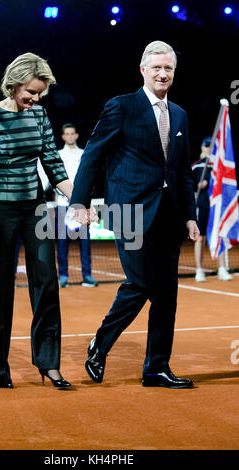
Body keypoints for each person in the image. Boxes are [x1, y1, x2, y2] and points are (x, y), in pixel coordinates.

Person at [69, 41, 200, 388]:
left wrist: (190, 215)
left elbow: (183, 171)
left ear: (174, 72)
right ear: (143, 70)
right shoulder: (121, 107)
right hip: (129, 212)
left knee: (166, 295)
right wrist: (79, 203)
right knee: (140, 283)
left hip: (170, 217)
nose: (162, 73)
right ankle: (101, 343)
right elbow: (92, 156)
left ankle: (156, 367)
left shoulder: (181, 115)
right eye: (156, 67)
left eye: (168, 68)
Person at [0, 52, 73, 389]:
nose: (37, 98)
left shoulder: (39, 115)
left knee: (47, 283)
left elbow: (53, 163)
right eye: (31, 91)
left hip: (35, 209)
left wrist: (77, 196)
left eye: (41, 93)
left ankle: (49, 363)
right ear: (13, 85)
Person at [56, 123, 98, 288]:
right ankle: (63, 277)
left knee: (84, 242)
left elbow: (88, 179)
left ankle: (87, 275)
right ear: (63, 137)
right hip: (62, 205)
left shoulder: (84, 154)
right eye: (67, 133)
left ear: (77, 135)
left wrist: (82, 198)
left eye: (73, 133)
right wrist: (66, 195)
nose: (70, 136)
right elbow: (55, 180)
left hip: (82, 206)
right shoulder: (58, 155)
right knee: (62, 243)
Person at [192, 137, 233, 282]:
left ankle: (222, 268)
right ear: (202, 148)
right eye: (206, 146)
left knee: (219, 236)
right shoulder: (197, 166)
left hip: (217, 207)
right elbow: (188, 186)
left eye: (211, 146)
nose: (209, 148)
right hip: (201, 206)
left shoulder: (219, 165)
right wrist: (198, 185)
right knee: (200, 238)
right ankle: (199, 270)